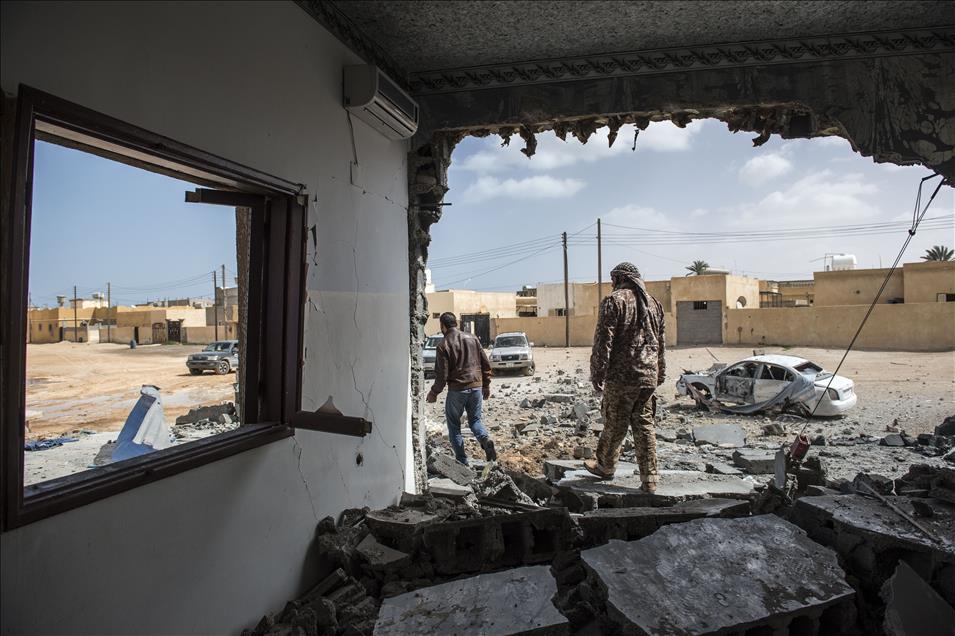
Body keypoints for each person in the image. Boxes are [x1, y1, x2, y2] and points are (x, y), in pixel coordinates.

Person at [585, 262, 666, 492]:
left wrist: (597, 372)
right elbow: (660, 344)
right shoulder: (655, 304)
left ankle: (605, 466)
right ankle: (649, 478)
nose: (612, 284)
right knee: (644, 425)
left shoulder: (614, 301)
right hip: (648, 376)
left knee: (615, 423)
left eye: (613, 279)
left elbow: (603, 342)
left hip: (622, 377)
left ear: (620, 278)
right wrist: (660, 372)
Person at [426, 312, 498, 465]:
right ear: (456, 323)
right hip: (476, 387)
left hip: (457, 390)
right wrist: (486, 385)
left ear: (442, 326)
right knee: (475, 421)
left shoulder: (443, 345)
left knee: (453, 425)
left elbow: (442, 375)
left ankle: (462, 461)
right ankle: (485, 439)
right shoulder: (472, 338)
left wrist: (434, 392)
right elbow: (485, 363)